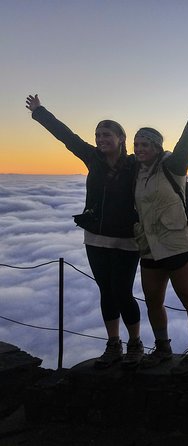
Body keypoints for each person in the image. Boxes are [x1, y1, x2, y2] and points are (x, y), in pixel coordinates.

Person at [25, 95, 144, 369]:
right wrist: (41, 112)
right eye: (98, 135)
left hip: (128, 239)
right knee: (106, 291)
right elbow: (67, 136)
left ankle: (135, 343)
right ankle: (113, 343)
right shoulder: (93, 158)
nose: (101, 139)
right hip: (95, 238)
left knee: (123, 291)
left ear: (121, 138)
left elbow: (162, 170)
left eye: (107, 135)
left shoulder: (135, 165)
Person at [133, 81, 188, 374]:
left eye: (145, 144)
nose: (140, 149)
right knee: (153, 301)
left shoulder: (173, 166)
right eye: (137, 144)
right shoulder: (138, 174)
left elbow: (187, 140)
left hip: (179, 245)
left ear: (157, 147)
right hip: (149, 248)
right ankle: (162, 349)